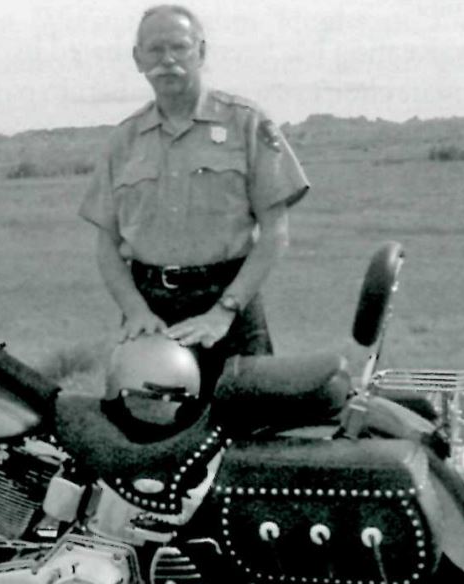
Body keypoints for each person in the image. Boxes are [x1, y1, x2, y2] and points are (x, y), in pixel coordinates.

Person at [79, 4, 309, 393]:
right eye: (155, 50)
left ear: (200, 52)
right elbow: (106, 244)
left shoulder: (246, 123)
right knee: (144, 437)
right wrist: (135, 311)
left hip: (229, 304)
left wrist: (225, 311)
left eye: (179, 47)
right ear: (138, 59)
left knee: (248, 438)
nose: (167, 60)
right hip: (151, 312)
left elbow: (275, 231)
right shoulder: (125, 140)